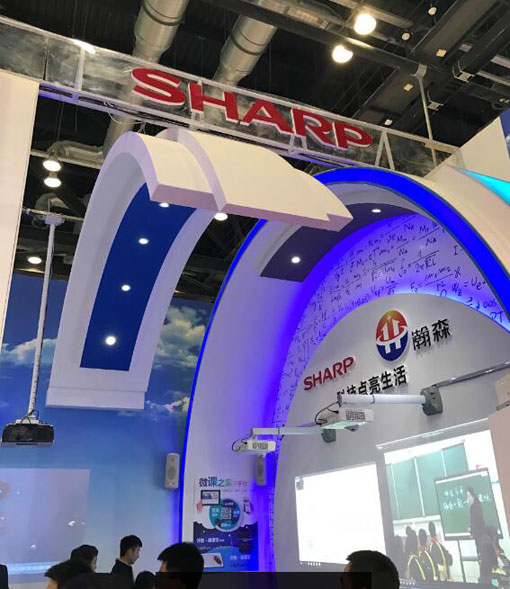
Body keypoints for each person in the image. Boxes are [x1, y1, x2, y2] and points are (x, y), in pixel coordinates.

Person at [467, 487, 486, 558]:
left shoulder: (475, 507)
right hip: (480, 537)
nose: (468, 498)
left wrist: (471, 529)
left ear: (473, 496)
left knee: (482, 556)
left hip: (480, 536)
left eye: (469, 496)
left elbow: (477, 523)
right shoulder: (476, 506)